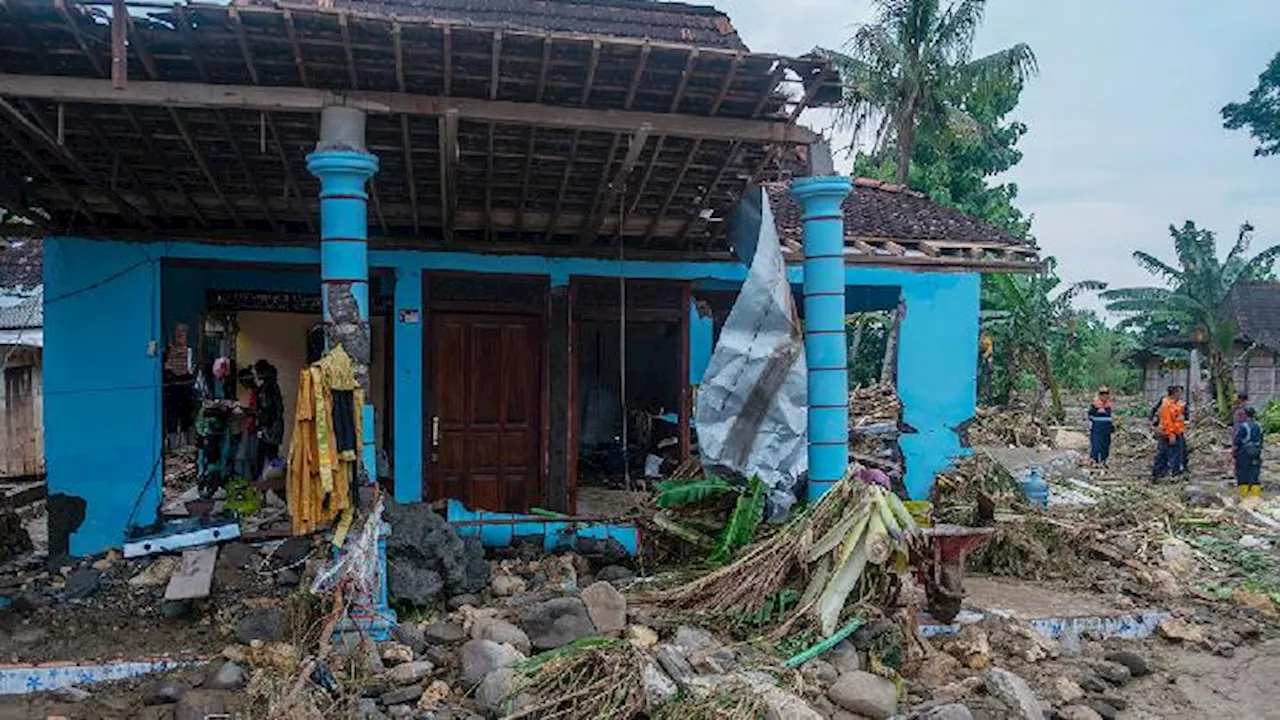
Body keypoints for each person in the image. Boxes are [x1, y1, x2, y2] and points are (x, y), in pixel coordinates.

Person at [253, 359, 285, 481]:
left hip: (270, 427)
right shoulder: (271, 385)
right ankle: (271, 483)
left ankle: (269, 483)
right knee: (269, 456)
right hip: (272, 426)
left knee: (266, 457)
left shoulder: (268, 387)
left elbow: (267, 406)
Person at [1152, 385, 1188, 481]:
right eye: (1179, 392)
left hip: (1177, 432)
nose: (1181, 394)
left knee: (1178, 453)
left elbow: (1179, 418)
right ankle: (1158, 473)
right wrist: (1171, 434)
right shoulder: (1167, 404)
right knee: (1164, 453)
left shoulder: (1178, 404)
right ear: (1174, 393)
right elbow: (1167, 421)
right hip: (1168, 433)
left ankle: (1174, 472)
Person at [1233, 406, 1264, 501]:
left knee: (1242, 476)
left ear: (1245, 414)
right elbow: (1261, 440)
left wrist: (1234, 453)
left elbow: (1237, 441)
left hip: (1243, 454)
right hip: (1256, 453)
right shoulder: (1259, 426)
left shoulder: (1243, 426)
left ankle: (1244, 499)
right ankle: (1256, 499)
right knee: (1254, 475)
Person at [1087, 387, 1115, 467]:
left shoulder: (1109, 405)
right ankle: (1094, 460)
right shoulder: (1095, 405)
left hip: (1106, 428)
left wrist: (1111, 426)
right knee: (1096, 444)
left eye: (1106, 393)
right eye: (1102, 394)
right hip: (1097, 428)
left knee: (1105, 445)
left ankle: (1104, 460)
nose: (1104, 396)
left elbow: (1110, 417)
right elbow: (1090, 416)